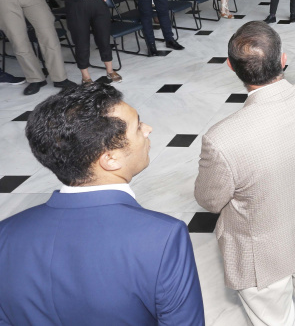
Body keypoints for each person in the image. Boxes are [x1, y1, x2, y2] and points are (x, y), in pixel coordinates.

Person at [0, 83, 204, 325]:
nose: (147, 129)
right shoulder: (162, 236)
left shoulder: (6, 232)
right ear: (110, 158)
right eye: (138, 127)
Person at [195, 22, 295, 326]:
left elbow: (209, 200)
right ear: (284, 59)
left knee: (273, 319)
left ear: (231, 67)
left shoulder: (222, 139)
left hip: (262, 250)